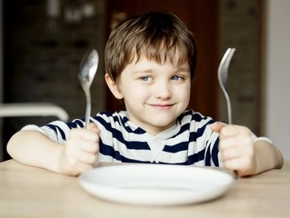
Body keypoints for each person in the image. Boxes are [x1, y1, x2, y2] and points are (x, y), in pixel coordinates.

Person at [7, 11, 283, 177]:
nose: (163, 92)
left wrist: (253, 158)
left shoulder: (204, 134)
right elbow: (19, 141)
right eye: (146, 77)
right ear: (115, 85)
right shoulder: (100, 132)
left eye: (177, 77)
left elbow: (274, 154)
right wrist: (61, 158)